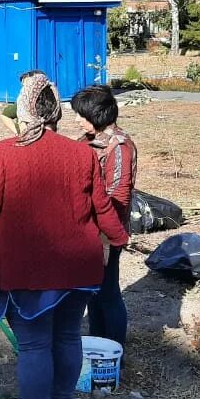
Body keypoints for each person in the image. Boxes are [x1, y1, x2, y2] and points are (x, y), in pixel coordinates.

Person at [0, 73, 129, 399]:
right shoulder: (81, 153)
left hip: (29, 269)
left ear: (22, 112)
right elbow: (102, 207)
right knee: (68, 336)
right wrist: (118, 239)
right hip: (77, 266)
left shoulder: (1, 155)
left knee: (35, 344)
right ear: (56, 114)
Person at [70, 85, 138, 348]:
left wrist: (97, 220)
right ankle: (98, 346)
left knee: (108, 294)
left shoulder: (118, 146)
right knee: (92, 293)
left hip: (107, 233)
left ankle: (115, 351)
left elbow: (118, 195)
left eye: (81, 115)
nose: (77, 119)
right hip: (86, 231)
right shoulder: (86, 142)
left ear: (97, 115)